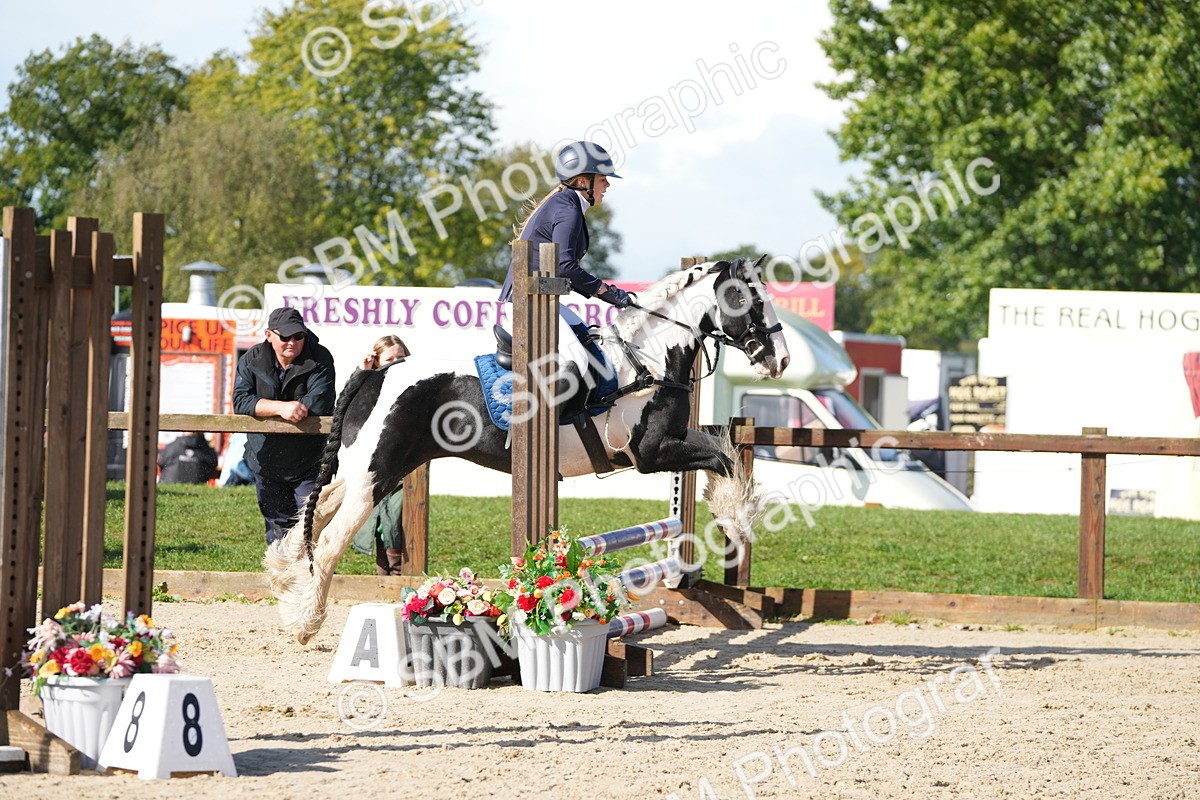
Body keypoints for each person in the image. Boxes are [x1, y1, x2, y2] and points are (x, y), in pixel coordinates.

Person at [497, 140, 632, 384]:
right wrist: (606, 292)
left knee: (587, 337)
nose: (608, 184)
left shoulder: (566, 203)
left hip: (540, 299)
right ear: (583, 182)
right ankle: (553, 420)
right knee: (578, 363)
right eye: (603, 179)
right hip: (529, 303)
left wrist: (606, 293)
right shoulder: (567, 209)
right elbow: (564, 266)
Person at [232, 307, 336, 545]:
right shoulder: (251, 359)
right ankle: (280, 579)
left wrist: (290, 408)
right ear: (269, 335)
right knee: (277, 529)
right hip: (265, 460)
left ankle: (312, 579)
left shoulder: (320, 357)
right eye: (285, 336)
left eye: (298, 336)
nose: (292, 342)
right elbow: (240, 401)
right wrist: (281, 408)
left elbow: (320, 400)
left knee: (311, 526)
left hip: (310, 461)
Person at [350, 334, 410, 575]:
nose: (395, 362)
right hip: (376, 465)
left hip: (405, 465)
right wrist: (362, 372)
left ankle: (397, 577)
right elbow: (348, 402)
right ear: (377, 361)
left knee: (396, 521)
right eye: (389, 359)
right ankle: (383, 580)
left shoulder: (416, 382)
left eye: (400, 357)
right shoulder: (370, 384)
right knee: (377, 524)